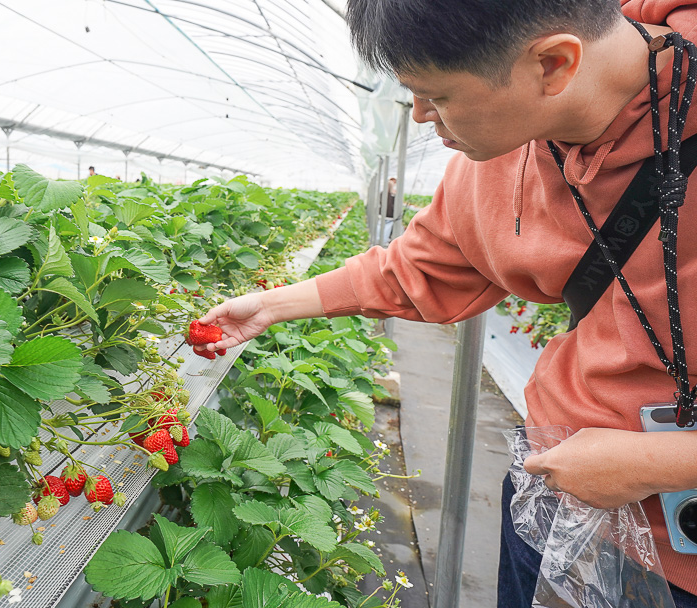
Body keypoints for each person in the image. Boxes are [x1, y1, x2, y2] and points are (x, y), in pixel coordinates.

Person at [195, 1, 697, 606]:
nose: (422, 115)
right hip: (559, 497)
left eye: (438, 95)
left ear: (554, 64)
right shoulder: (497, 157)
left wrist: (657, 463)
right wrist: (275, 305)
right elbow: (421, 266)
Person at [383, 177, 398, 243]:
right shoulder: (391, 196)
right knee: (386, 229)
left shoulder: (383, 194)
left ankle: (384, 240)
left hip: (385, 214)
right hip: (389, 215)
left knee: (385, 229)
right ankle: (384, 240)